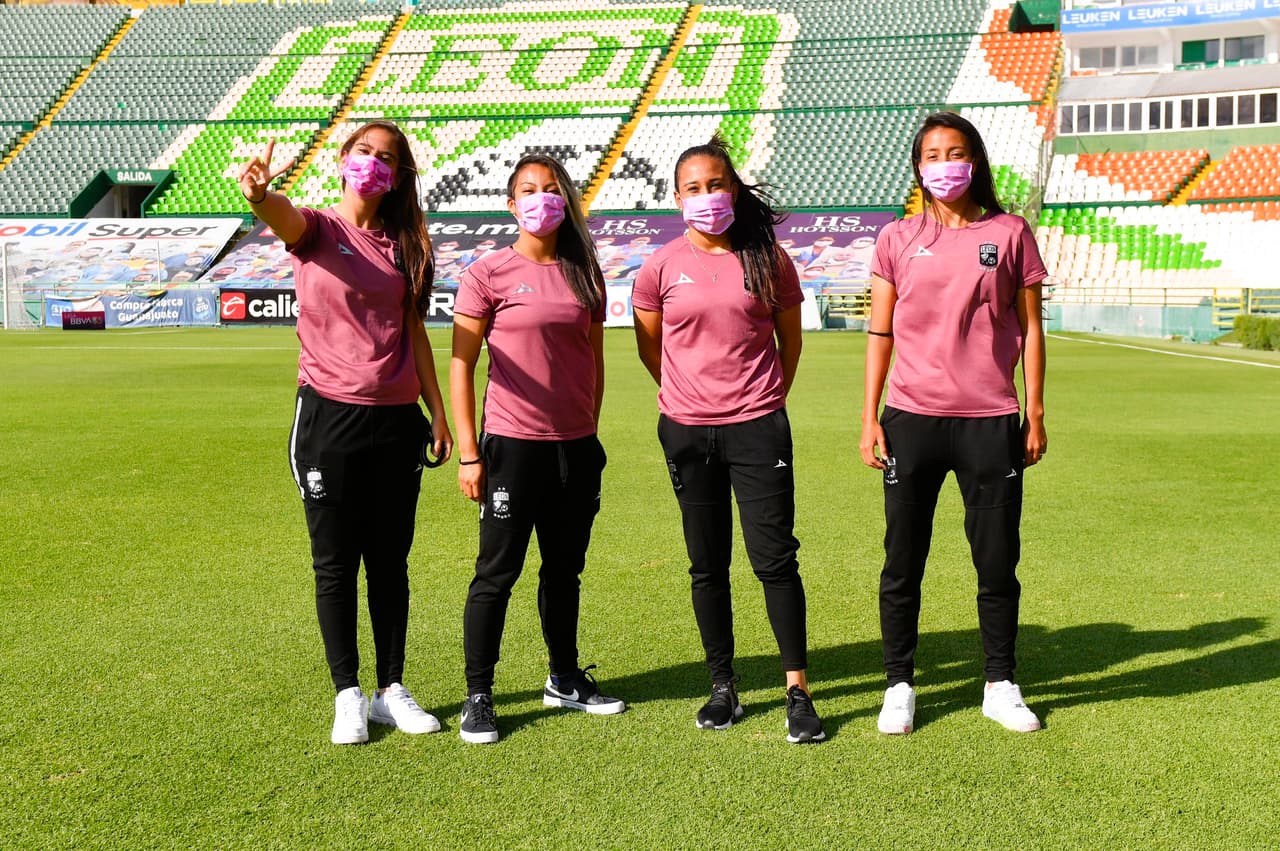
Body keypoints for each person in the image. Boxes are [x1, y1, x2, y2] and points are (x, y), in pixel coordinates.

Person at [238, 121, 454, 745]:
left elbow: (415, 334)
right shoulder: (317, 229)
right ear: (341, 160)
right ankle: (347, 694)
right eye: (364, 151)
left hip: (396, 423)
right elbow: (278, 213)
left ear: (399, 174)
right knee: (335, 563)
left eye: (386, 157)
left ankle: (392, 689)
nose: (373, 164)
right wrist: (257, 194)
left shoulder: (408, 244)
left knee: (390, 563)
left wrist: (436, 410)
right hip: (329, 419)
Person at [631, 134, 825, 744]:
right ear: (677, 198)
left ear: (734, 189)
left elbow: (790, 343)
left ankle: (798, 689)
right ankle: (724, 686)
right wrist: (688, 397)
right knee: (706, 563)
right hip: (687, 431)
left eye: (716, 185)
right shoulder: (661, 265)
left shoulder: (769, 259)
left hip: (757, 425)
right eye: (694, 188)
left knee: (775, 560)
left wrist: (764, 398)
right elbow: (650, 346)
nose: (707, 197)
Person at [859, 111, 1047, 735]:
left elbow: (1032, 328)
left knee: (996, 561)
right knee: (902, 561)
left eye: (956, 152)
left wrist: (1035, 412)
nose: (945, 164)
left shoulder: (1010, 232)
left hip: (990, 420)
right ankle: (898, 684)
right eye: (933, 154)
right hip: (911, 418)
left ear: (976, 160)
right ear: (918, 166)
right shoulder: (896, 238)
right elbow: (879, 332)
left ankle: (1000, 683)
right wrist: (870, 417)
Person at [451, 153, 624, 744]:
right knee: (496, 572)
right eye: (528, 189)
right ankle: (480, 695)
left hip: (574, 447)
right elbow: (462, 364)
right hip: (510, 448)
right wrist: (470, 453)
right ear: (510, 203)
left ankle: (564, 678)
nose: (541, 199)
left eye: (552, 189)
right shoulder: (487, 273)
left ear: (567, 199)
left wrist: (589, 431)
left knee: (565, 570)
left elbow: (594, 361)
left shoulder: (586, 272)